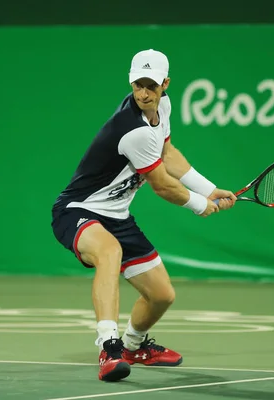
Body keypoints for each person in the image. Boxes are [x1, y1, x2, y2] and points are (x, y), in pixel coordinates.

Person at [51, 49, 237, 382]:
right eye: (138, 84)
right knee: (110, 252)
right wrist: (199, 204)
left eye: (151, 85)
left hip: (117, 217)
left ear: (165, 84)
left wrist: (209, 189)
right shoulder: (133, 129)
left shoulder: (161, 107)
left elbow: (168, 154)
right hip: (77, 210)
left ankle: (133, 346)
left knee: (162, 295)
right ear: (132, 82)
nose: (143, 93)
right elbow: (162, 185)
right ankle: (109, 348)